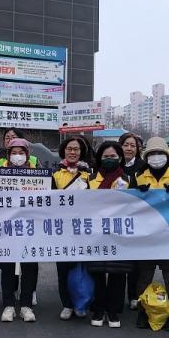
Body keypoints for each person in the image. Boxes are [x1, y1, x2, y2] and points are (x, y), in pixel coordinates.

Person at [130, 136, 169, 332]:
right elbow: (128, 205)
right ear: (146, 156)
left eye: (159, 153)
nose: (156, 157)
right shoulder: (138, 175)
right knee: (144, 276)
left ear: (167, 155)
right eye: (152, 153)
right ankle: (143, 312)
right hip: (146, 236)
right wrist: (137, 193)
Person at [86, 141, 130, 328]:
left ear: (120, 158)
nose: (109, 159)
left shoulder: (128, 179)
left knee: (117, 274)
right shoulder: (90, 179)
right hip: (95, 233)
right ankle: (98, 309)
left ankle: (113, 311)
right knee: (96, 273)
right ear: (99, 158)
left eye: (113, 156)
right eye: (106, 156)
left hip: (120, 233)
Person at [0, 138, 39, 323]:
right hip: (8, 227)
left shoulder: (37, 174)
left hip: (31, 228)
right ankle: (9, 304)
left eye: (21, 153)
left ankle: (26, 305)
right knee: (7, 266)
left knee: (29, 266)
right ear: (8, 155)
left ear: (27, 155)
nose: (17, 156)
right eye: (13, 153)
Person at [50, 137, 92, 320]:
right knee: (63, 268)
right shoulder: (55, 174)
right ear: (63, 151)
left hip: (83, 228)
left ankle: (81, 302)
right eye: (69, 148)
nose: (72, 152)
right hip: (62, 228)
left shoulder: (90, 174)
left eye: (76, 149)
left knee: (83, 268)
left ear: (82, 152)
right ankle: (67, 304)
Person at [118, 132, 145, 310]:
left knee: (136, 261)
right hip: (117, 219)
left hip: (138, 218)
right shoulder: (113, 164)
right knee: (120, 261)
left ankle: (134, 295)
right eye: (126, 145)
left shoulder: (144, 167)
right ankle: (117, 297)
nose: (129, 148)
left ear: (137, 149)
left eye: (132, 145)